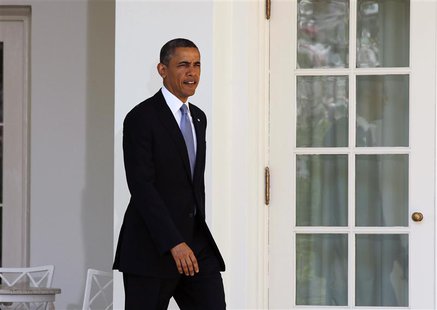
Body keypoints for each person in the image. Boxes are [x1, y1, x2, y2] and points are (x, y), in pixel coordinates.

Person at [113, 38, 226, 309]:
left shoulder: (199, 117)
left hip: (196, 246)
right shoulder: (141, 118)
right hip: (152, 249)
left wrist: (189, 237)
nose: (192, 72)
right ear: (162, 70)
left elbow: (192, 185)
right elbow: (141, 186)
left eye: (197, 65)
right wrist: (174, 242)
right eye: (183, 65)